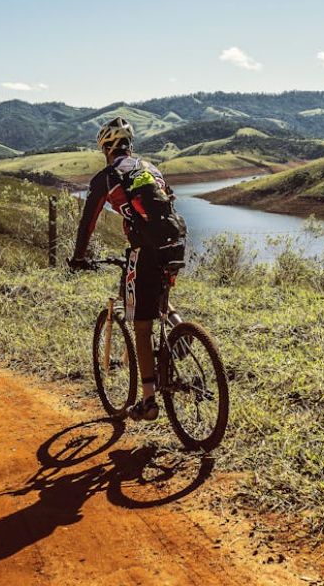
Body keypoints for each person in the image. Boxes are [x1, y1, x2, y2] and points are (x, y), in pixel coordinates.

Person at [68, 117, 186, 421]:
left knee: (142, 326)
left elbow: (88, 223)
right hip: (175, 243)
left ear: (106, 148)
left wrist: (78, 257)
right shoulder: (150, 168)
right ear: (129, 146)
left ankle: (147, 401)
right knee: (159, 302)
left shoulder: (107, 177)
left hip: (145, 250)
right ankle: (183, 334)